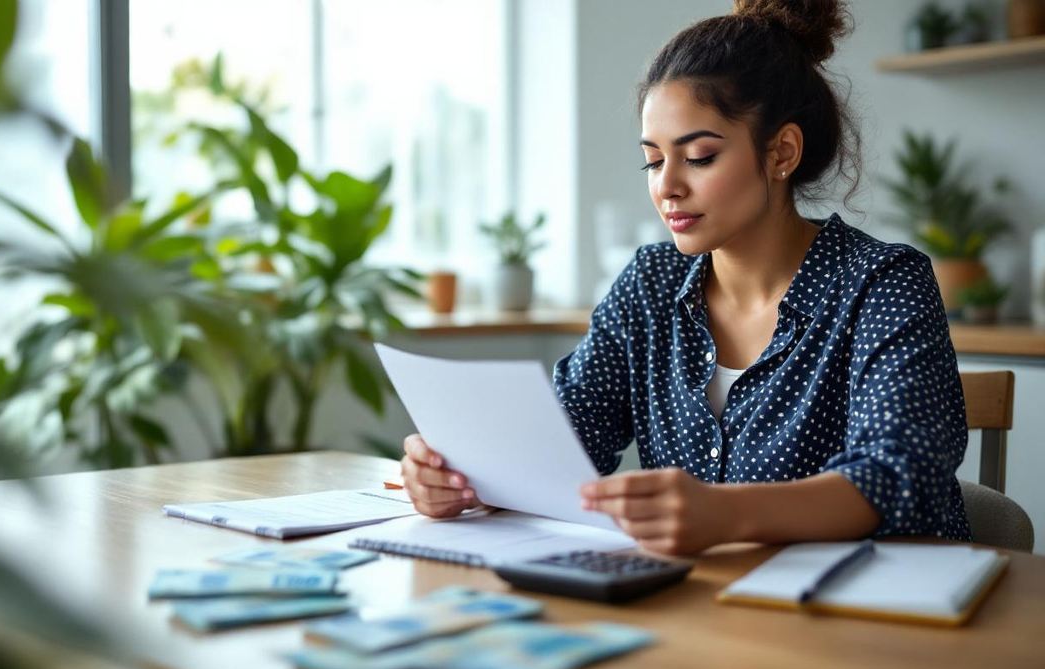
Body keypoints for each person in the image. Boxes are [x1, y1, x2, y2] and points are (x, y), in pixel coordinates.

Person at [400, 0, 971, 556]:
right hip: (706, 612)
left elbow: (901, 475)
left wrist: (726, 512)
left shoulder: (884, 283)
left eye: (697, 156)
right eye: (653, 160)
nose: (666, 186)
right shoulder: (650, 283)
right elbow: (565, 442)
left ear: (782, 153)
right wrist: (461, 476)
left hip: (870, 621)